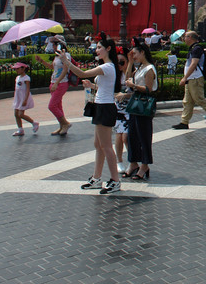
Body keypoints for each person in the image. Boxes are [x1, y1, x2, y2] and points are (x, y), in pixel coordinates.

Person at [58, 37, 122, 194]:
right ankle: (96, 178)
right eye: (97, 47)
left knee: (106, 146)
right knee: (98, 145)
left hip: (106, 107)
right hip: (101, 105)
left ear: (108, 49)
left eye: (100, 47)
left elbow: (82, 73)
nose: (97, 49)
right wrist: (92, 86)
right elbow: (103, 87)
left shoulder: (108, 66)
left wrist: (66, 61)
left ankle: (115, 180)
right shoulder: (106, 67)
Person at [121, 40, 159, 180]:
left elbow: (148, 89)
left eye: (135, 53)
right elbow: (126, 80)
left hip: (144, 103)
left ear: (142, 52)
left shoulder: (149, 68)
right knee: (132, 135)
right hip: (135, 103)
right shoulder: (140, 67)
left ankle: (144, 165)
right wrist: (130, 62)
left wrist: (134, 86)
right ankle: (133, 163)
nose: (134, 56)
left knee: (144, 136)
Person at [173, 31, 206, 130]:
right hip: (191, 79)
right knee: (187, 101)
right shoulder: (193, 48)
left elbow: (194, 64)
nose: (184, 38)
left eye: (185, 37)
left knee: (199, 99)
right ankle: (184, 122)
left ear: (190, 37)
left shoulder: (196, 49)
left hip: (195, 78)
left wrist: (184, 78)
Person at [34, 35, 72, 136]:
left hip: (61, 83)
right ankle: (62, 126)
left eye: (55, 44)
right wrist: (41, 61)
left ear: (60, 44)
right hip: (54, 82)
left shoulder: (65, 55)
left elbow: (65, 70)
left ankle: (65, 124)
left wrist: (57, 83)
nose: (53, 46)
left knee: (52, 106)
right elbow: (52, 67)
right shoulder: (57, 56)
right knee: (58, 105)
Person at [11, 62, 39, 136]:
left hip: (23, 97)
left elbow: (27, 90)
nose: (16, 70)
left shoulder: (26, 78)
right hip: (18, 98)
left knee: (21, 114)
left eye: (18, 69)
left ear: (23, 69)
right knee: (16, 114)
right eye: (15, 69)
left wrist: (25, 99)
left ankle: (34, 123)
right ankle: (20, 129)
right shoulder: (17, 78)